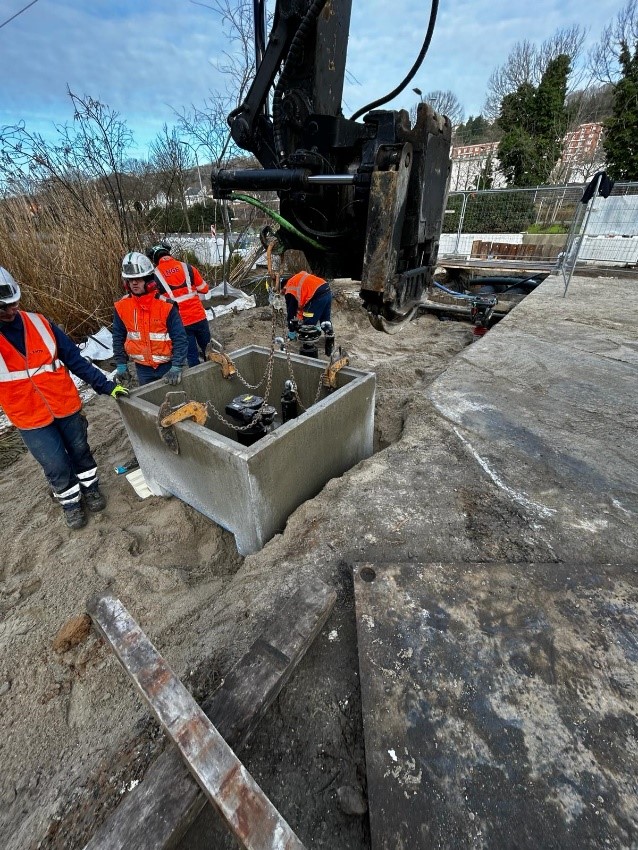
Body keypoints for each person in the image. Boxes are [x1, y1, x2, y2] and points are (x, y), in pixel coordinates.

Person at [0, 266, 129, 530]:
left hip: (65, 404)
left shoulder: (39, 323)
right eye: (4, 308)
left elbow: (74, 359)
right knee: (55, 462)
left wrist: (106, 385)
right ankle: (70, 502)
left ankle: (90, 489)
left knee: (80, 450)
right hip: (29, 417)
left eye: (14, 303)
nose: (12, 310)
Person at [112, 252, 188, 387]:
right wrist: (121, 365)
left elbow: (180, 338)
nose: (134, 283)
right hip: (143, 369)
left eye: (139, 279)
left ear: (149, 281)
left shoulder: (166, 306)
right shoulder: (121, 307)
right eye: (130, 280)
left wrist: (177, 366)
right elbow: (118, 337)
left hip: (168, 366)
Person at [146, 242, 212, 367]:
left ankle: (199, 381)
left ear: (154, 259)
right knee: (209, 350)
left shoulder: (154, 276)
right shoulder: (187, 267)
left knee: (191, 356)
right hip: (199, 317)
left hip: (180, 323)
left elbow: (155, 302)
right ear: (168, 253)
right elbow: (204, 289)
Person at [281, 271, 333, 339]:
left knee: (308, 323)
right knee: (325, 319)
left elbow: (291, 312)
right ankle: (330, 340)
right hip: (327, 290)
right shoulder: (297, 278)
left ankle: (308, 347)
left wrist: (292, 330)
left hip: (316, 295)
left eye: (282, 292)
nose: (284, 294)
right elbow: (303, 298)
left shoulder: (290, 289)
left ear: (283, 287)